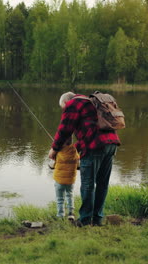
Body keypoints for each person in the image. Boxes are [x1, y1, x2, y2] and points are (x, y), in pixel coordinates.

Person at [48, 91, 120, 226]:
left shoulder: (73, 104)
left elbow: (65, 129)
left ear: (65, 103)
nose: (64, 110)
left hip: (94, 146)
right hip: (111, 144)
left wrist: (54, 148)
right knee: (102, 184)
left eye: (63, 108)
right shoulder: (90, 102)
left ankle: (85, 220)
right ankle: (97, 219)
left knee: (88, 184)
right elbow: (92, 128)